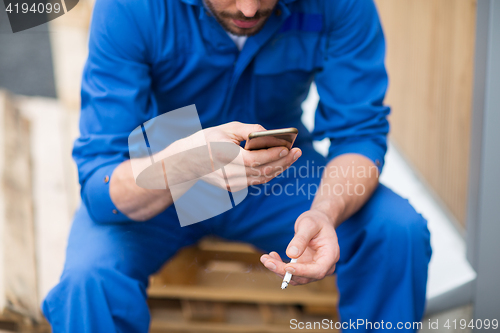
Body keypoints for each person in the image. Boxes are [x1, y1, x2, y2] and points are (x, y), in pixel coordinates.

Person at [42, 0, 432, 331]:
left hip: (277, 174)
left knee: (397, 231)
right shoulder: (131, 7)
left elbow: (360, 133)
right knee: (87, 281)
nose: (249, 9)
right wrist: (186, 162)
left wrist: (325, 212)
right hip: (163, 172)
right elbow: (100, 180)